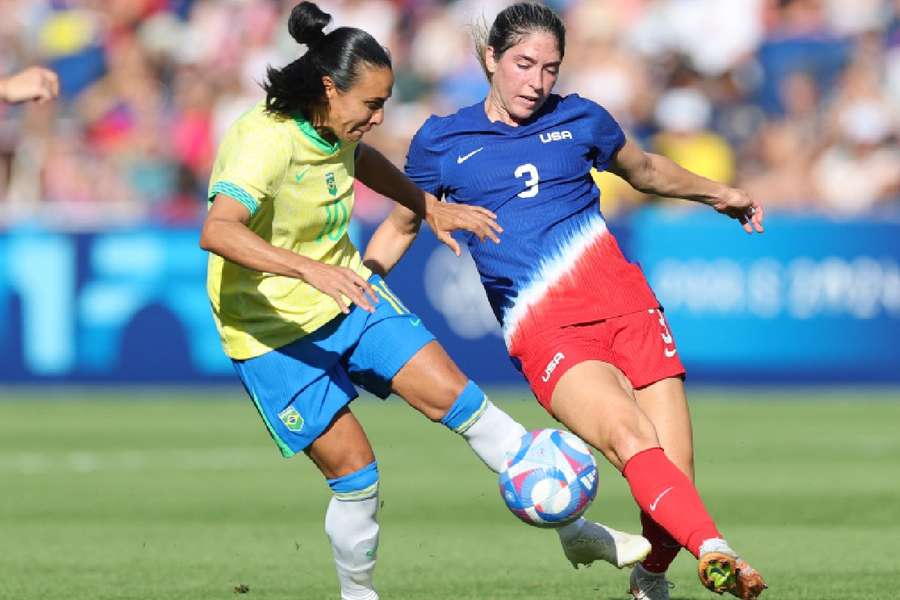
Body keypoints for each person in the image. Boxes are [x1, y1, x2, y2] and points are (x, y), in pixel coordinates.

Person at [200, 4, 648, 599]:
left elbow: (364, 162)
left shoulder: (335, 124)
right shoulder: (262, 142)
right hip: (272, 332)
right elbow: (218, 230)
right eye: (371, 105)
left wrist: (425, 204)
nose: (380, 116)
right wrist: (309, 270)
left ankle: (573, 529)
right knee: (357, 477)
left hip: (349, 293)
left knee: (465, 403)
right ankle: (358, 595)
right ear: (330, 89)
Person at [370, 3, 769, 599]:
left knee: (673, 481)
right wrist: (363, 278)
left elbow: (646, 170)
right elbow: (404, 223)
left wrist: (719, 194)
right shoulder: (440, 141)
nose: (536, 81)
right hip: (547, 330)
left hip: (630, 306)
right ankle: (718, 550)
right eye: (523, 64)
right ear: (491, 59)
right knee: (632, 439)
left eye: (549, 68)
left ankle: (650, 577)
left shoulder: (582, 118)